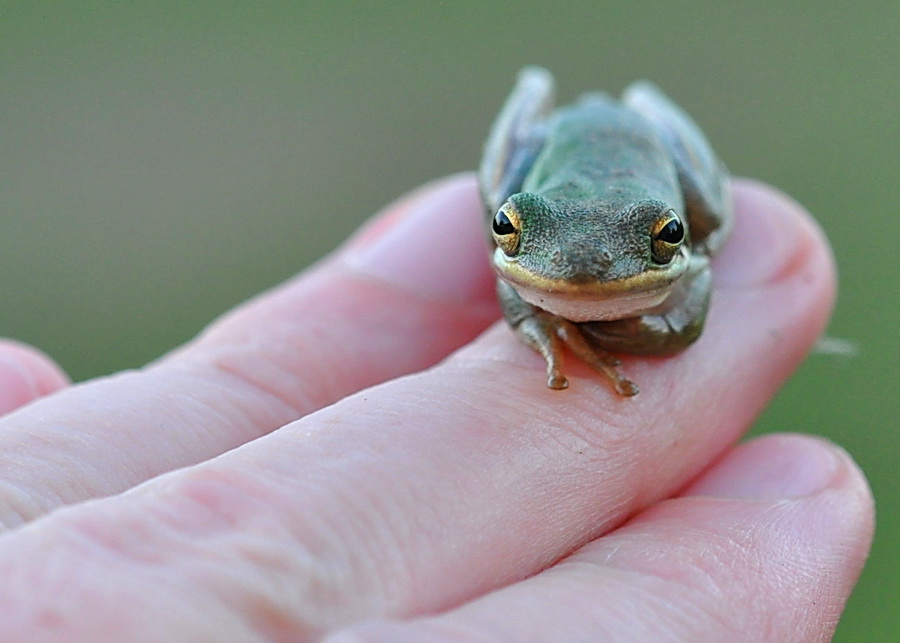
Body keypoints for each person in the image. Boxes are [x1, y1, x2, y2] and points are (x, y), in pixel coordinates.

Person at [0, 175, 873, 640]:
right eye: (512, 235)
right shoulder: (532, 249)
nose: (573, 276)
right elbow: (541, 267)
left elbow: (684, 313)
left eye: (664, 240)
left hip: (639, 177)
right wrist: (537, 316)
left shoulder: (669, 237)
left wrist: (670, 272)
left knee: (684, 228)